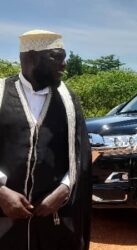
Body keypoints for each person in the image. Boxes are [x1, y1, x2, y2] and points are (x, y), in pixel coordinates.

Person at [0, 30, 91, 250]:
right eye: (56, 57)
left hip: (54, 218)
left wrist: (65, 189)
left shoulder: (68, 99)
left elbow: (81, 153)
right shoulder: (0, 92)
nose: (64, 65)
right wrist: (1, 192)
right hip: (4, 219)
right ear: (31, 56)